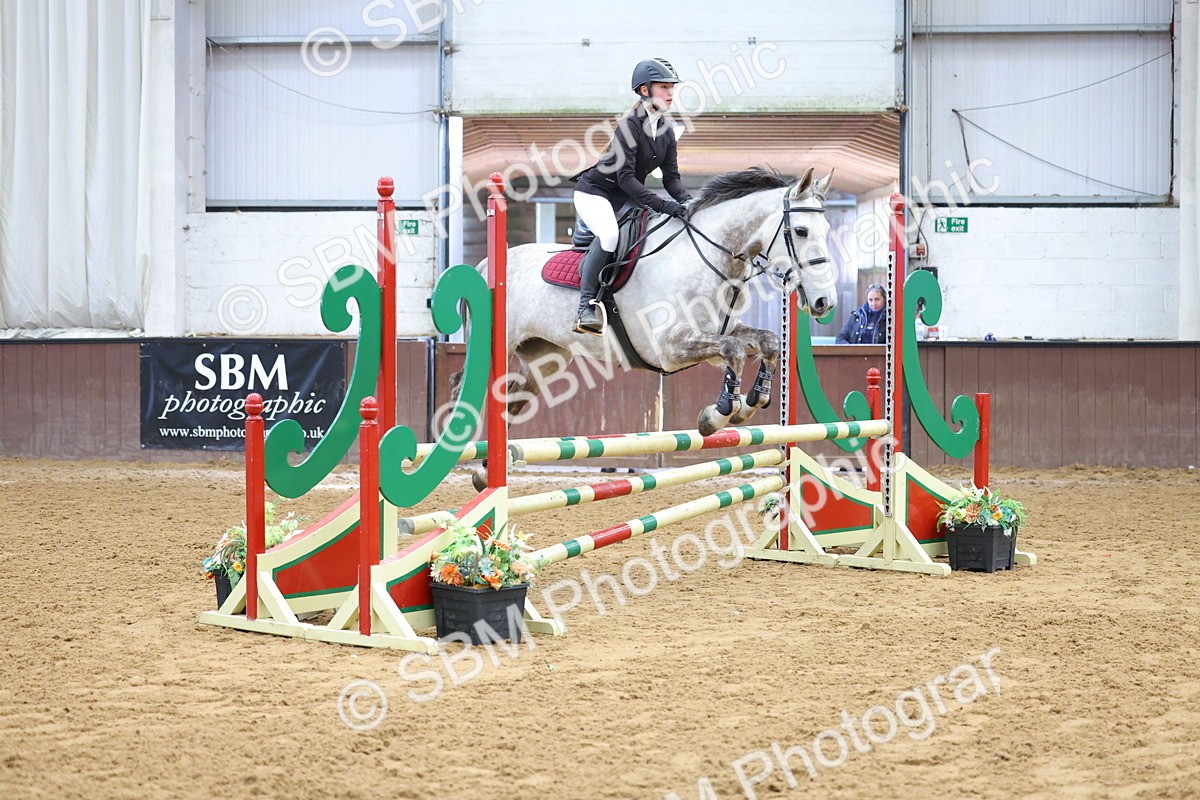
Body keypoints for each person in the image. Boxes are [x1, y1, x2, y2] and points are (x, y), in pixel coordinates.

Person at [569, 57, 693, 335]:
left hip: (627, 198)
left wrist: (687, 202)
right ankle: (585, 306)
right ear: (645, 90)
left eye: (672, 87)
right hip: (596, 193)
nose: (671, 93)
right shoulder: (630, 125)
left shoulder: (666, 130)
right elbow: (625, 178)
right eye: (664, 87)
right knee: (610, 236)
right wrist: (663, 205)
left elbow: (671, 178)